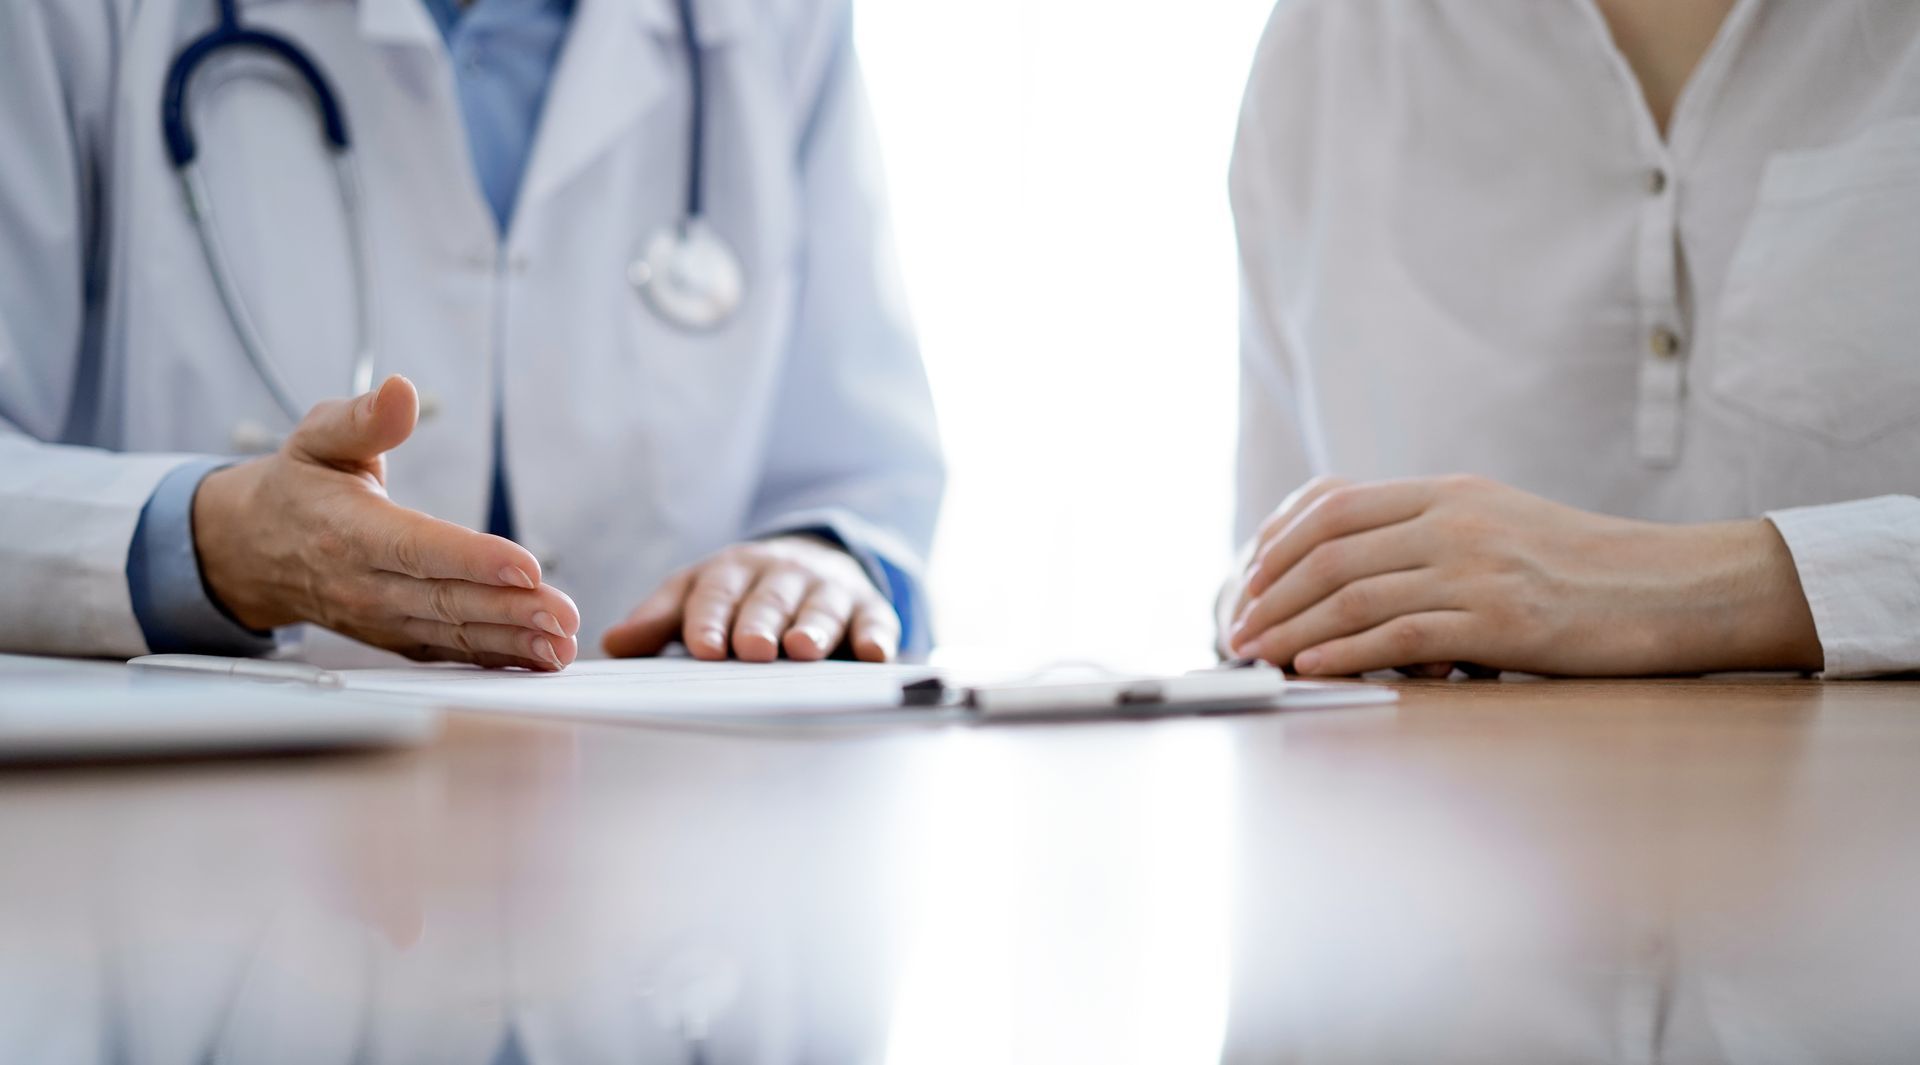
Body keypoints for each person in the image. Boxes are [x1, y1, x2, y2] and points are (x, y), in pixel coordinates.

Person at [0, 0, 943, 670]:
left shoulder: (780, 22)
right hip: (185, 837)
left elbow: (863, 473)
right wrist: (217, 544)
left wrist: (820, 560)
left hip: (659, 842)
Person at [1223, 0, 1920, 678]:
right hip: (1433, 792)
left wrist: (1672, 590)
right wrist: (1262, 601)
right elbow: (1264, 569)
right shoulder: (1325, 41)